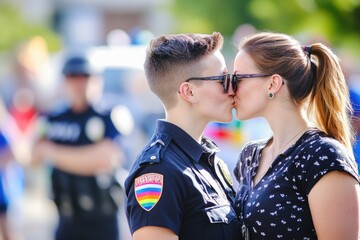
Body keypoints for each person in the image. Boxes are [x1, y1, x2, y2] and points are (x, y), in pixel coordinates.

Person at [232, 31, 360, 240]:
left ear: (273, 83)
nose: (230, 88)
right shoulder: (250, 155)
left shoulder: (323, 155)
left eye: (238, 78)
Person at [125, 32, 241, 240]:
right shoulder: (159, 171)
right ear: (189, 92)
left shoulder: (207, 159)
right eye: (222, 79)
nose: (232, 88)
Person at [31, 55, 124, 240]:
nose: (79, 83)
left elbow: (106, 159)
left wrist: (52, 152)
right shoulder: (53, 118)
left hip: (102, 221)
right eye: (73, 77)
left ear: (97, 80)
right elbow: (32, 156)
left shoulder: (110, 115)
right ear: (64, 81)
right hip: (66, 220)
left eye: (86, 76)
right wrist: (81, 158)